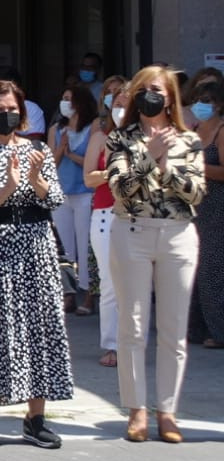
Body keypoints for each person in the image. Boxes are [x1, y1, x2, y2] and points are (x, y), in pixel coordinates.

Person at [0, 79, 71, 451]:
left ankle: (36, 416)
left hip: (35, 243)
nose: (7, 115)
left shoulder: (38, 149)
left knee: (39, 324)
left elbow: (54, 198)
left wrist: (35, 179)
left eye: (12, 110)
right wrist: (8, 185)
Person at [107, 65, 205, 444]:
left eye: (158, 90)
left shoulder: (188, 139)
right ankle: (137, 410)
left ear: (170, 97)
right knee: (132, 325)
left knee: (173, 328)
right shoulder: (121, 138)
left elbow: (195, 193)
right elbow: (120, 189)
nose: (151, 95)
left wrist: (164, 166)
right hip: (133, 231)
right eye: (144, 89)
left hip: (177, 235)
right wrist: (148, 156)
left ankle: (168, 410)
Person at [83, 76, 128, 367]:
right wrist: (116, 171)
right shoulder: (100, 137)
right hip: (105, 215)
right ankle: (111, 345)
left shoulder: (145, 138)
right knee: (110, 283)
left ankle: (132, 343)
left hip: (138, 216)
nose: (119, 108)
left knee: (136, 285)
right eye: (116, 103)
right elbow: (89, 177)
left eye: (125, 103)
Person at [49, 82, 100, 315]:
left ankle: (90, 295)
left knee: (86, 245)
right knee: (65, 248)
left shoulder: (94, 127)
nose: (65, 103)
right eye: (63, 98)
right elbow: (50, 164)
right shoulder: (56, 129)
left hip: (85, 193)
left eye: (70, 98)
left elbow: (92, 161)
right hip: (62, 192)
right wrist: (62, 151)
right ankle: (68, 293)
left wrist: (72, 154)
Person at [185, 77, 222, 348]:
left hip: (216, 206)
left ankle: (218, 331)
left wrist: (197, 166)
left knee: (212, 268)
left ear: (219, 105)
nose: (201, 106)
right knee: (193, 269)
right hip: (192, 205)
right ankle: (196, 329)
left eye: (207, 101)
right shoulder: (193, 130)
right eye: (198, 100)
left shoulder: (222, 132)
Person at [0, 66, 47, 140]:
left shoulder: (31, 108)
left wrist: (9, 138)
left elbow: (35, 140)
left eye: (12, 108)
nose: (6, 111)